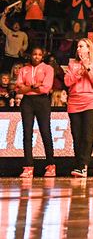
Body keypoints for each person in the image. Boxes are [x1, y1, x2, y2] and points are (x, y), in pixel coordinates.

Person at [64, 38, 93, 178]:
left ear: (89, 48)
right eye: (77, 46)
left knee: (87, 133)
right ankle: (78, 164)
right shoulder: (72, 63)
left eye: (81, 46)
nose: (78, 49)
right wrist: (78, 72)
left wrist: (87, 68)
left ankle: (83, 165)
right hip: (74, 102)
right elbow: (67, 82)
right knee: (77, 135)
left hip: (92, 101)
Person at [16, 46, 55, 178]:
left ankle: (51, 165)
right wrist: (33, 86)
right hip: (27, 102)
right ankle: (28, 166)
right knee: (27, 133)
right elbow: (19, 89)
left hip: (42, 102)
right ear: (31, 55)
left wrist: (27, 87)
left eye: (39, 54)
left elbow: (45, 88)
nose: (36, 56)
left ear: (42, 57)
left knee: (45, 132)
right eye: (34, 54)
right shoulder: (24, 69)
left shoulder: (48, 69)